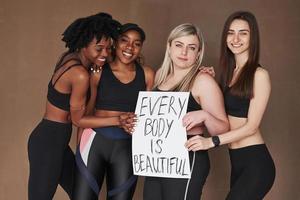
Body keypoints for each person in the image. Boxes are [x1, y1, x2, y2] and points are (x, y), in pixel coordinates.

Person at [27, 13, 124, 200]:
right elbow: (79, 120)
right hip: (49, 142)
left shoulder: (70, 58)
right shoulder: (80, 74)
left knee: (83, 195)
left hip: (55, 141)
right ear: (84, 45)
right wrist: (118, 120)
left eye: (108, 48)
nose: (105, 54)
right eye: (99, 48)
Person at [185, 11, 276, 200]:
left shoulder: (259, 75)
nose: (235, 39)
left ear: (253, 37)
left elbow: (251, 127)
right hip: (237, 161)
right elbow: (221, 109)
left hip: (256, 162)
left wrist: (211, 141)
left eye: (243, 33)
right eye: (230, 32)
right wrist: (211, 83)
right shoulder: (228, 73)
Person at [143, 23, 229, 200]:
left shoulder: (203, 81)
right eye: (179, 45)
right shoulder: (160, 76)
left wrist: (205, 116)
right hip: (158, 159)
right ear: (169, 46)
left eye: (191, 48)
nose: (184, 52)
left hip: (188, 158)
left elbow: (223, 129)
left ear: (198, 53)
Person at [72, 23, 155, 200]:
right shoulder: (98, 71)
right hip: (94, 143)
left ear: (140, 48)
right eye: (124, 40)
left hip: (127, 148)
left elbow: (151, 114)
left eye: (136, 43)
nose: (129, 47)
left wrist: (200, 72)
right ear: (115, 43)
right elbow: (85, 115)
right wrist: (79, 147)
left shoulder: (147, 74)